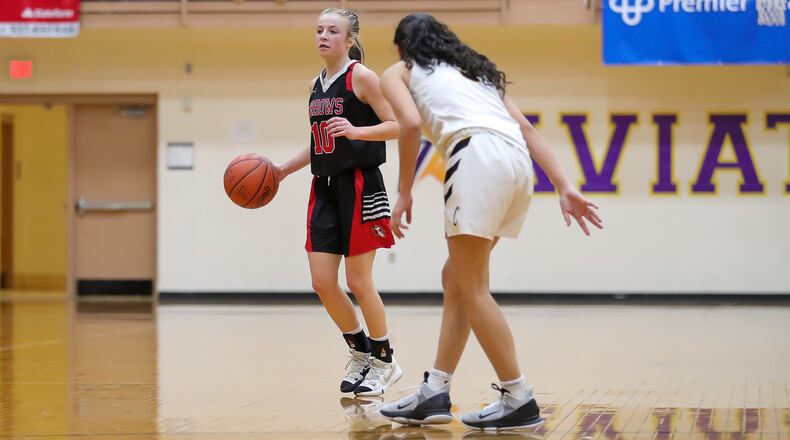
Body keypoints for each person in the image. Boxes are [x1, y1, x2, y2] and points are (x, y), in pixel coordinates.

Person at [378, 13, 603, 429]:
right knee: (457, 278)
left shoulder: (401, 70)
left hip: (477, 158)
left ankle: (519, 397)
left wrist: (404, 191)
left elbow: (408, 124)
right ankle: (435, 390)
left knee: (472, 286)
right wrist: (565, 185)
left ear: (400, 46)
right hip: (517, 166)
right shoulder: (476, 73)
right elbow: (527, 129)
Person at [275, 8, 402, 396]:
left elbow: (399, 125)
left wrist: (357, 130)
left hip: (361, 185)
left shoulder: (362, 76)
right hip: (324, 187)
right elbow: (318, 143)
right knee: (322, 281)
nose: (323, 36)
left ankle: (385, 361)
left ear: (350, 40)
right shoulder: (317, 83)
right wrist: (281, 170)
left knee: (358, 281)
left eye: (333, 31)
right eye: (319, 30)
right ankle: (360, 352)